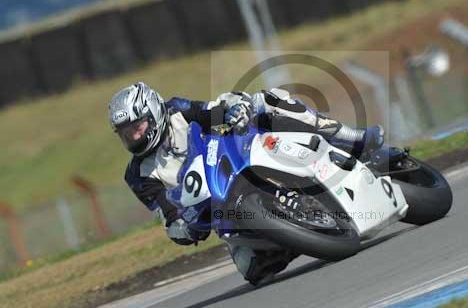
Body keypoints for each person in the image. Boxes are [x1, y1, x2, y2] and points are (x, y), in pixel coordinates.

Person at [108, 82, 383, 285]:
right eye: (125, 133)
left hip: (238, 155)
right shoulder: (138, 176)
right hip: (222, 210)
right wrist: (182, 229)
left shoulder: (178, 111)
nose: (133, 136)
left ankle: (350, 138)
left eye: (137, 126)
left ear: (154, 113)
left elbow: (211, 111)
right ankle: (294, 234)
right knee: (254, 271)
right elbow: (167, 213)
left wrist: (234, 111)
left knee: (267, 100)